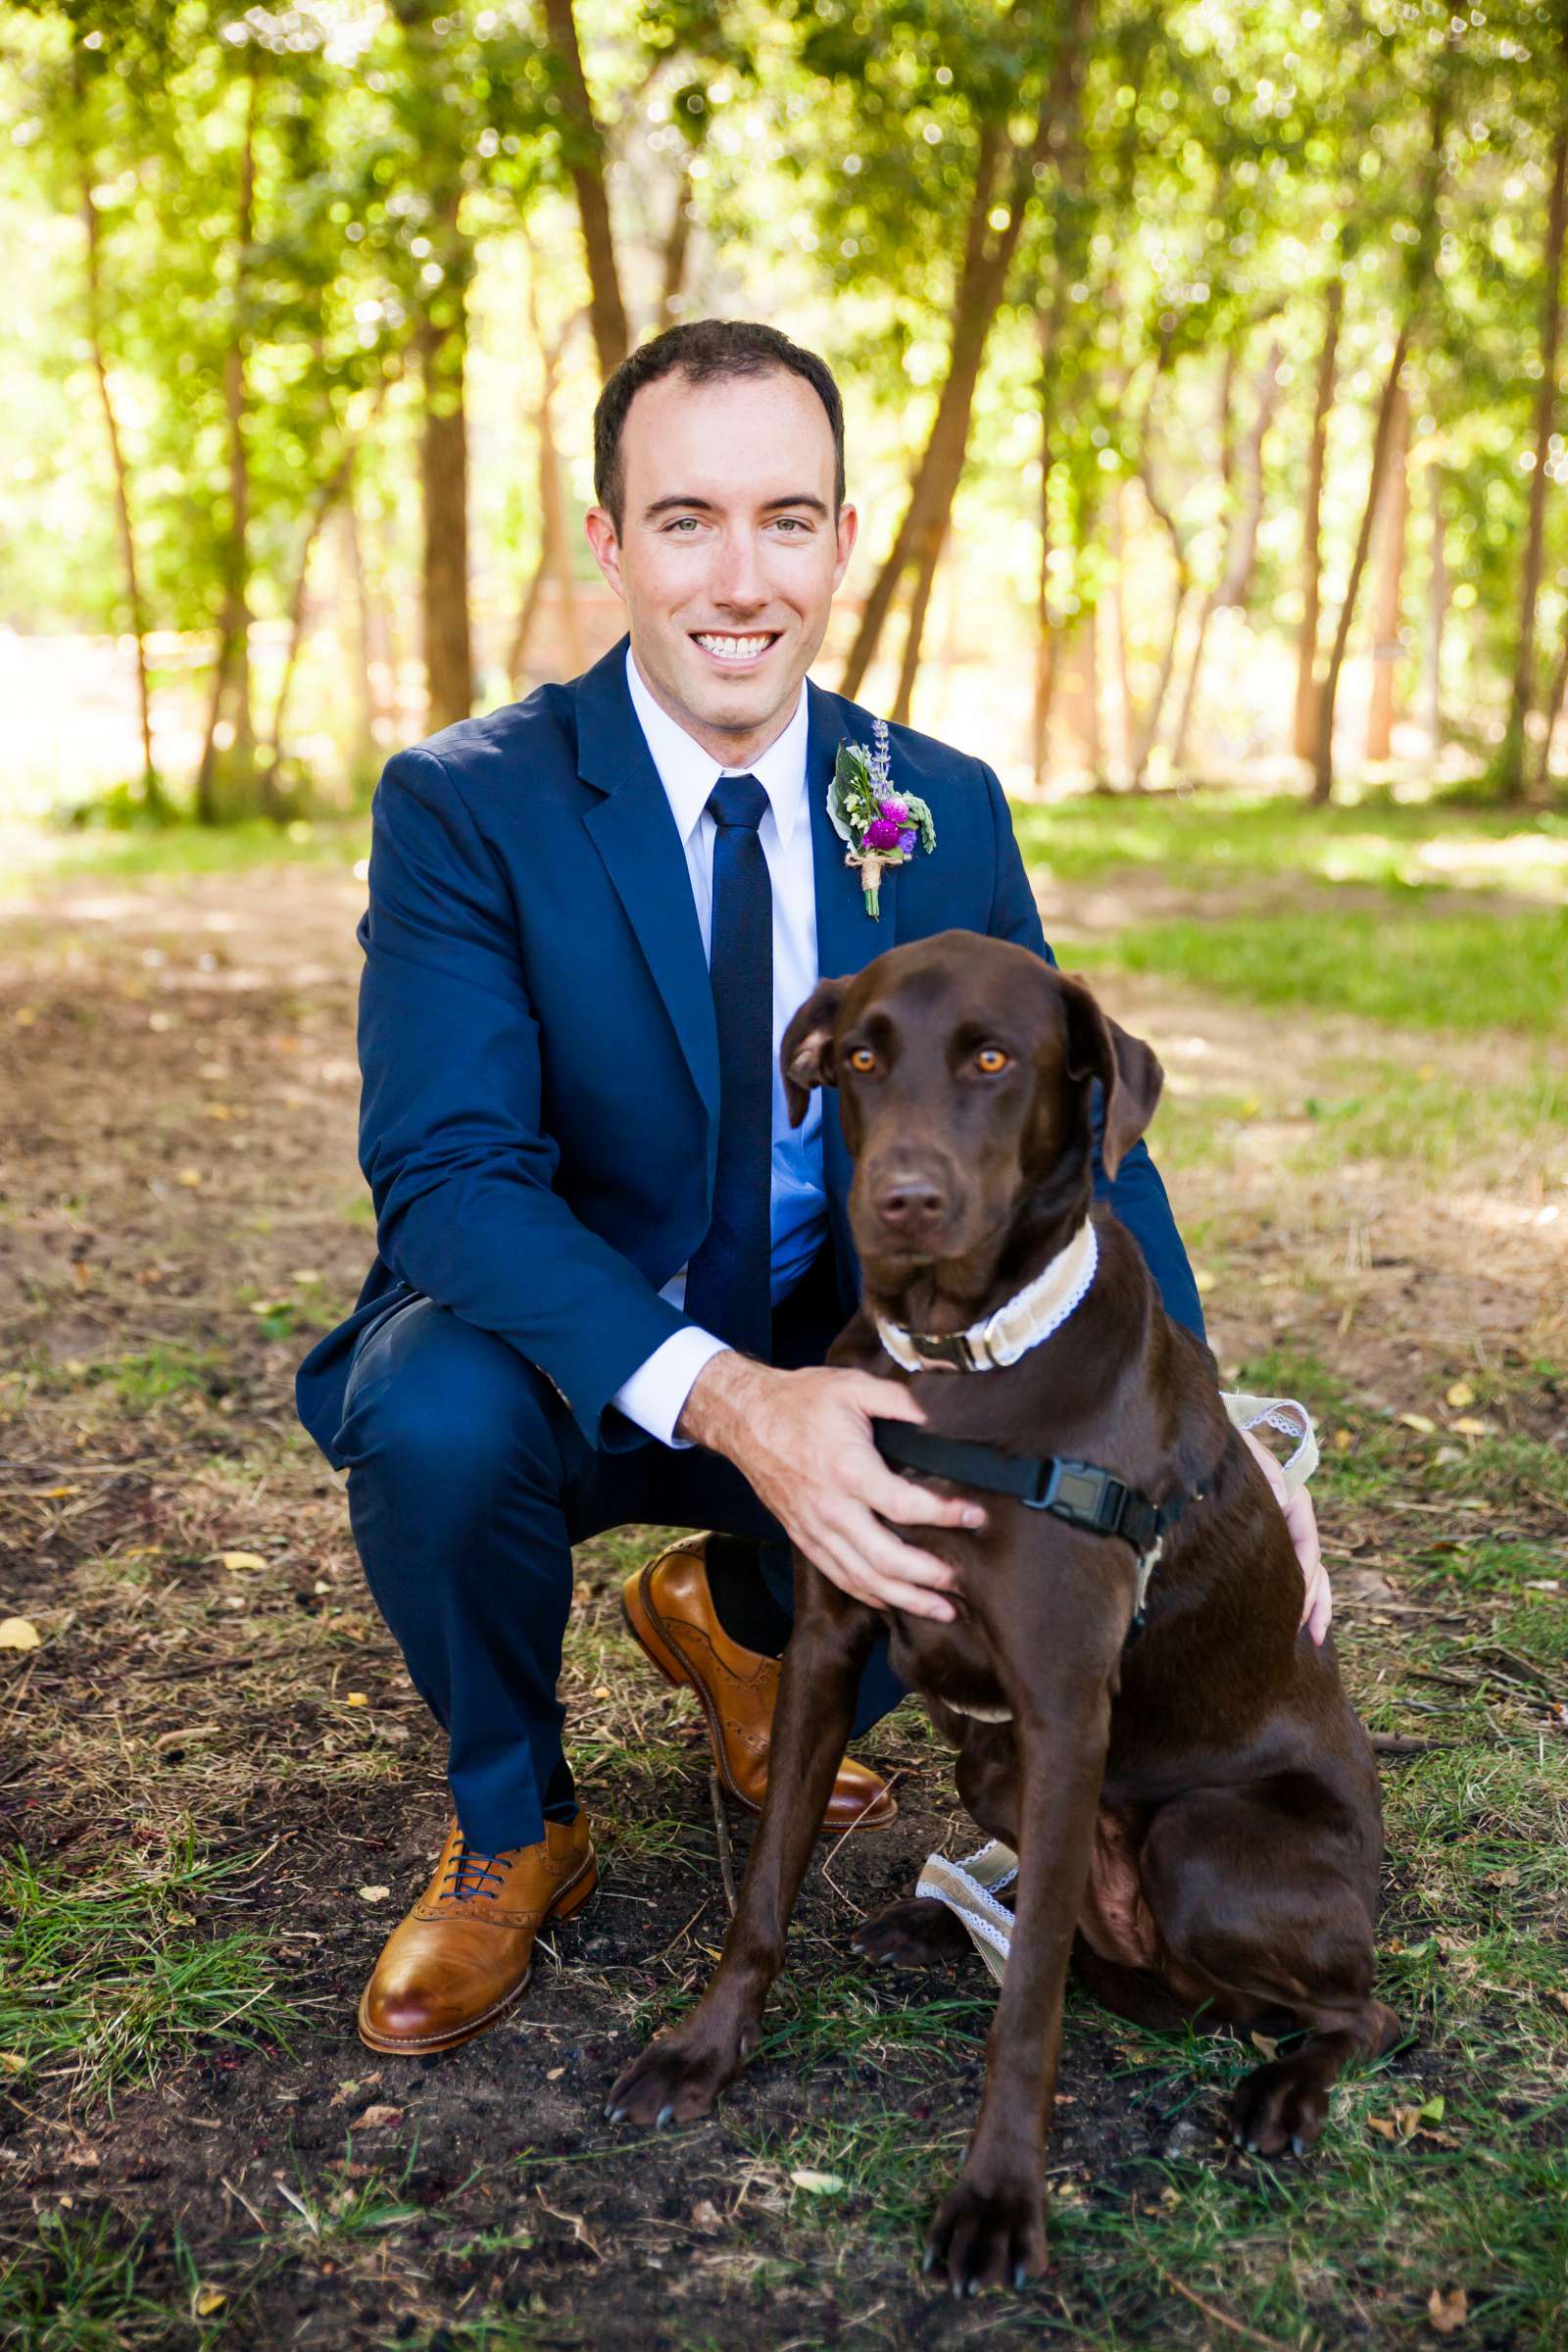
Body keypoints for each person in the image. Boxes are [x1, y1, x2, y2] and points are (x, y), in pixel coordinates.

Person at [295, 318, 1328, 2058]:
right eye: (685, 519)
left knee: (969, 1433)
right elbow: (448, 1178)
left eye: (788, 519)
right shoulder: (470, 806)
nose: (740, 577)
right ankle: (516, 1824)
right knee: (430, 1419)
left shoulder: (932, 801)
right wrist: (736, 1403)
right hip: (572, 1348)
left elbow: (1077, 1150)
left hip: (856, 1345)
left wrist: (1219, 1441)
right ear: (611, 542)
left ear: (843, 541)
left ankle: (743, 1621)